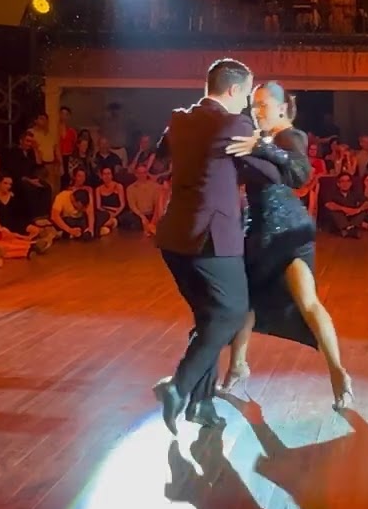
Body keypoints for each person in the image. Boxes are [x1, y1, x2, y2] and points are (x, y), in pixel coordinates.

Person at [150, 59, 277, 435]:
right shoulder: (233, 123)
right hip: (211, 238)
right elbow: (270, 173)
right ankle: (179, 387)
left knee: (209, 320)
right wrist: (262, 145)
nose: (248, 107)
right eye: (246, 97)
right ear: (235, 90)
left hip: (175, 236)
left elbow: (163, 155)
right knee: (231, 315)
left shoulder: (180, 118)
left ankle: (201, 405)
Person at [218, 82, 355, 409]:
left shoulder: (290, 136)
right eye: (255, 106)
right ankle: (238, 367)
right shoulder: (260, 140)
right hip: (263, 233)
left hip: (285, 233)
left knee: (306, 304)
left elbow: (300, 172)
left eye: (263, 105)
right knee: (250, 304)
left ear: (282, 108)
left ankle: (338, 374)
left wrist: (259, 146)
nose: (257, 111)